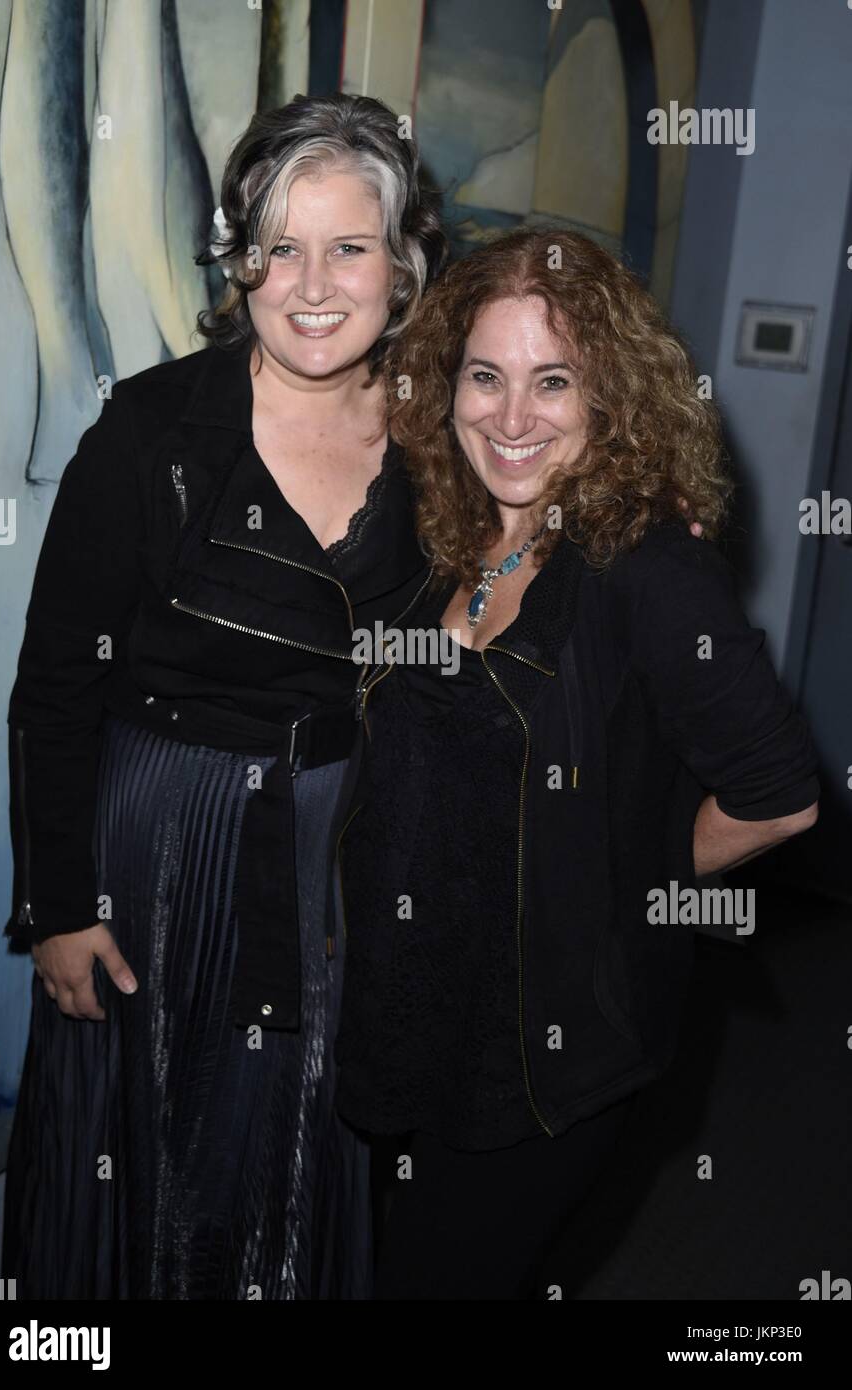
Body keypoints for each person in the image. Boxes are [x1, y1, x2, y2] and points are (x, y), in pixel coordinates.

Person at [1, 92, 446, 1300]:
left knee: (303, 1147)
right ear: (237, 260)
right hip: (157, 846)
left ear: (400, 266)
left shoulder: (443, 436)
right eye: (278, 246)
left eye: (348, 246)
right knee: (137, 1155)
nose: (310, 281)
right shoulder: (150, 430)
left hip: (340, 847)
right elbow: (54, 690)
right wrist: (55, 908)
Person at [332, 227, 821, 1300]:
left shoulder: (648, 566)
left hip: (539, 1053)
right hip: (407, 1013)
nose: (510, 418)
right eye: (485, 376)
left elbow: (778, 796)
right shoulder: (452, 532)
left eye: (551, 381)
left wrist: (627, 875)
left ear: (609, 395)